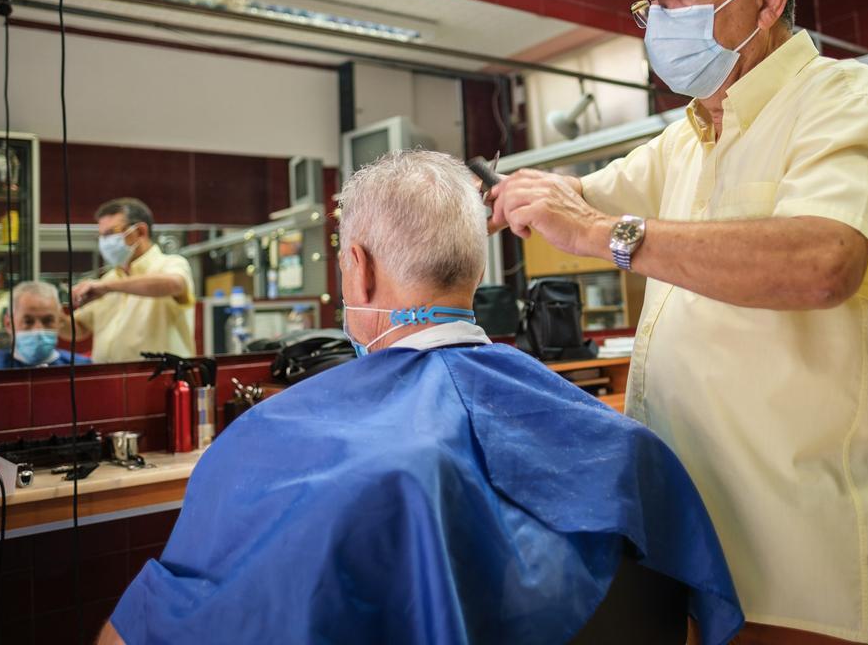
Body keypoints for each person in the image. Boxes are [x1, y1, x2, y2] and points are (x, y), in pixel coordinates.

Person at [489, 0, 868, 645]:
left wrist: (605, 233)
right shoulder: (688, 135)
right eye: (651, 6)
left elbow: (823, 262)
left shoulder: (846, 100)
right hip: (697, 539)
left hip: (808, 559)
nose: (661, 22)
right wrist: (508, 193)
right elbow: (575, 201)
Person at [99, 151, 743, 645]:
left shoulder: (271, 440)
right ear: (476, 266)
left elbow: (169, 622)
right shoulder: (620, 438)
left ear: (360, 265)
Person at [67, 197, 194, 363]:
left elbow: (174, 284)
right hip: (110, 382)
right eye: (101, 236)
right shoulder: (110, 279)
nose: (104, 242)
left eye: (111, 233)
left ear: (140, 231)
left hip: (160, 381)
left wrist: (106, 287)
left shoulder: (171, 264)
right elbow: (80, 328)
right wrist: (49, 315)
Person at [0, 281, 91, 370]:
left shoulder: (82, 369)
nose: (38, 329)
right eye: (28, 322)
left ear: (59, 322)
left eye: (47, 321)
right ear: (8, 324)